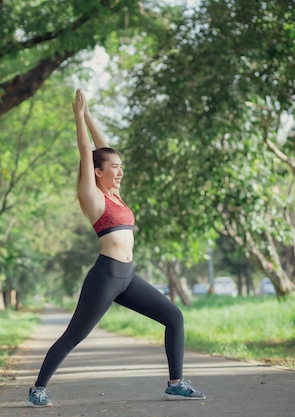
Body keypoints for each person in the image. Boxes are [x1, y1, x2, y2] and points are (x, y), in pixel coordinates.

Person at [27, 88, 206, 407]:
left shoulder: (116, 195)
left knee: (174, 317)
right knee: (74, 336)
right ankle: (38, 388)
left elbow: (102, 147)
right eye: (115, 167)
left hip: (128, 277)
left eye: (121, 166)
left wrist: (90, 114)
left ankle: (175, 383)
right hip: (106, 276)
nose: (120, 171)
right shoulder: (93, 197)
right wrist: (78, 118)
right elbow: (88, 150)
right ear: (98, 171)